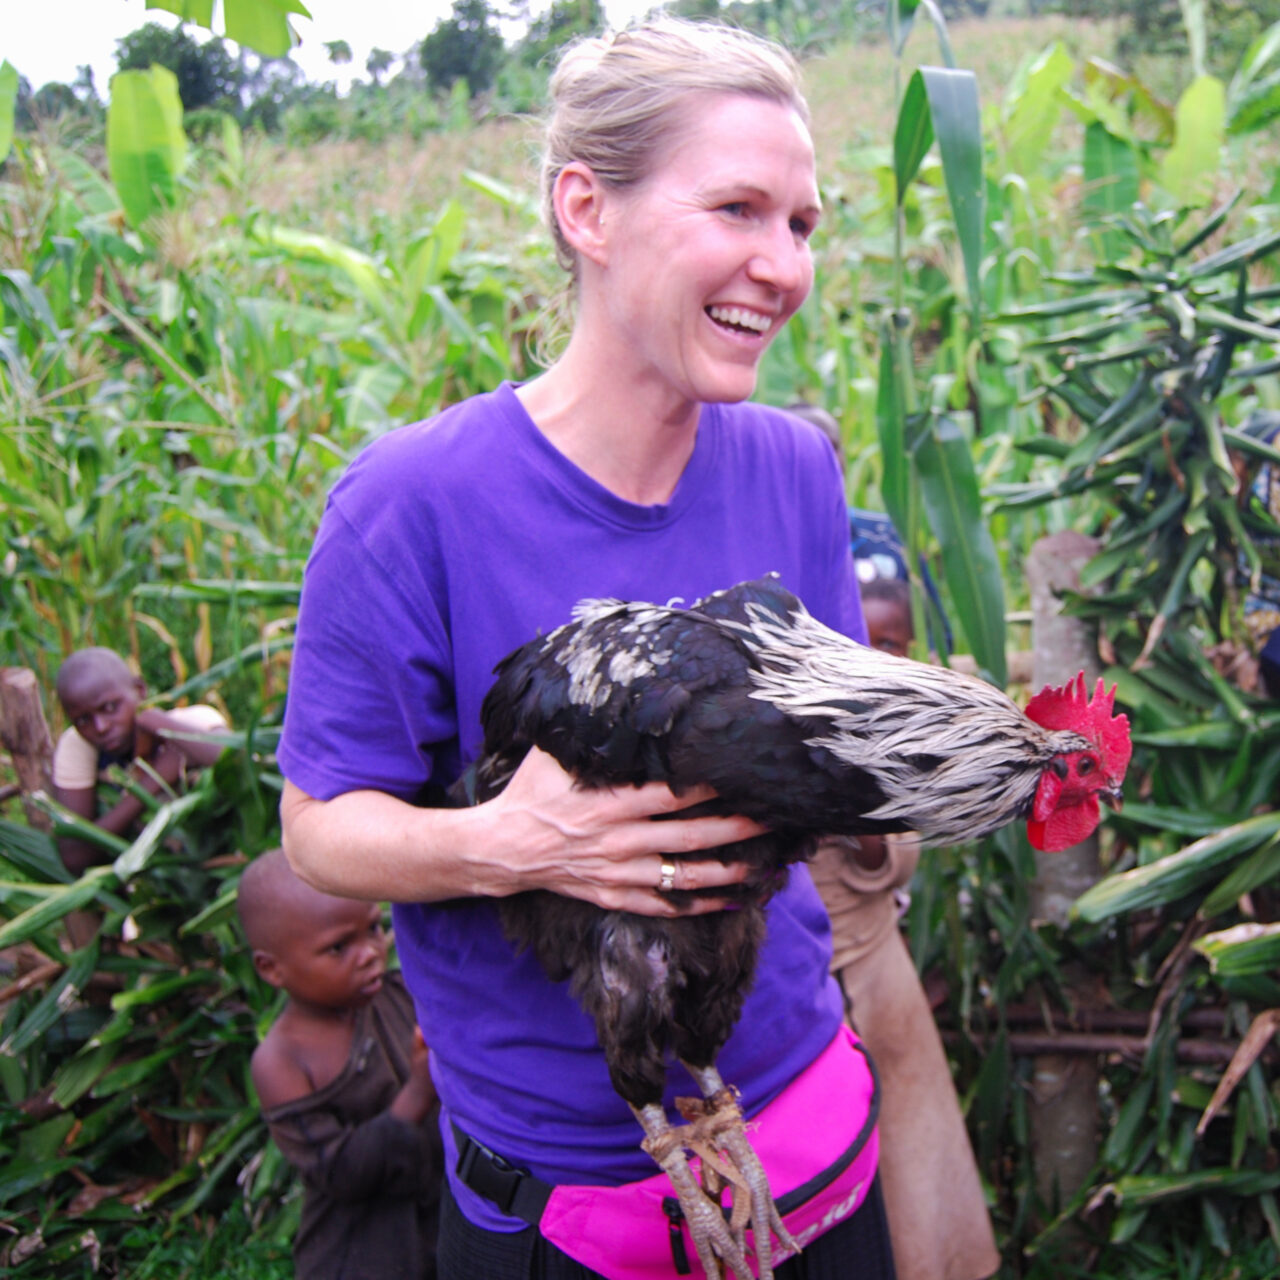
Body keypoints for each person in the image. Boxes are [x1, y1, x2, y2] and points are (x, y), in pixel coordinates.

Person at [278, 19, 893, 1280]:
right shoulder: (413, 504)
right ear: (585, 209)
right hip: (569, 1195)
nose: (780, 264)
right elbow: (318, 827)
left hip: (811, 1132)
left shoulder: (794, 466)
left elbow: (822, 765)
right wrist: (509, 839)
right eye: (736, 207)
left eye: (802, 225)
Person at [807, 580, 999, 1280]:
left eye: (889, 644)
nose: (872, 655)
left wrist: (855, 802)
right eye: (859, 640)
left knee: (910, 1191)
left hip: (875, 986)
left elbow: (896, 858)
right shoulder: (800, 717)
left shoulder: (905, 740)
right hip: (798, 991)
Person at [239, 848, 442, 1280]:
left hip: (440, 1223)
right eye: (338, 947)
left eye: (372, 929)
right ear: (272, 969)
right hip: (360, 1252)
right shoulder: (282, 1061)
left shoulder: (401, 992)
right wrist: (418, 1093)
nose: (369, 952)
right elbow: (340, 1174)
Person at [51, 647, 230, 877]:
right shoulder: (78, 745)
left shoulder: (189, 723)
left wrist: (154, 721)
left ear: (139, 690)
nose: (101, 727)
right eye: (83, 720)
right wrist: (155, 780)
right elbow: (74, 855)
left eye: (110, 708)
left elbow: (240, 758)